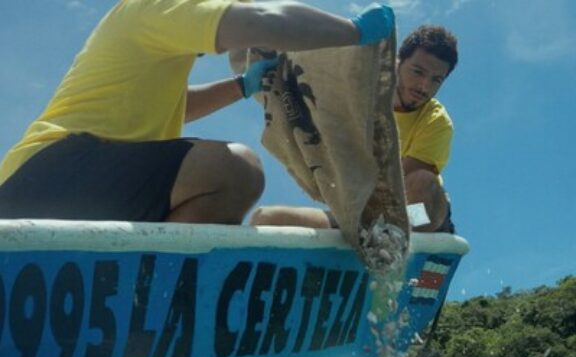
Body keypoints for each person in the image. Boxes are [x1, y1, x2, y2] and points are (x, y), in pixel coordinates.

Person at [0, 1, 395, 224]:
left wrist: (243, 86)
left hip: (48, 185)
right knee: (236, 170)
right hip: (54, 171)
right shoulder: (156, 6)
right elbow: (260, 22)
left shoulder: (150, 42)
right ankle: (155, 304)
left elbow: (178, 105)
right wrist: (355, 33)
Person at [250, 25, 458, 233]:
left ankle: (396, 246)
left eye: (436, 79)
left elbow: (397, 186)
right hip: (360, 218)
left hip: (415, 217)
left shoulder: (436, 121)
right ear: (397, 63)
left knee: (423, 182)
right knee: (266, 219)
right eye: (417, 72)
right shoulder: (359, 95)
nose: (424, 86)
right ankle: (365, 245)